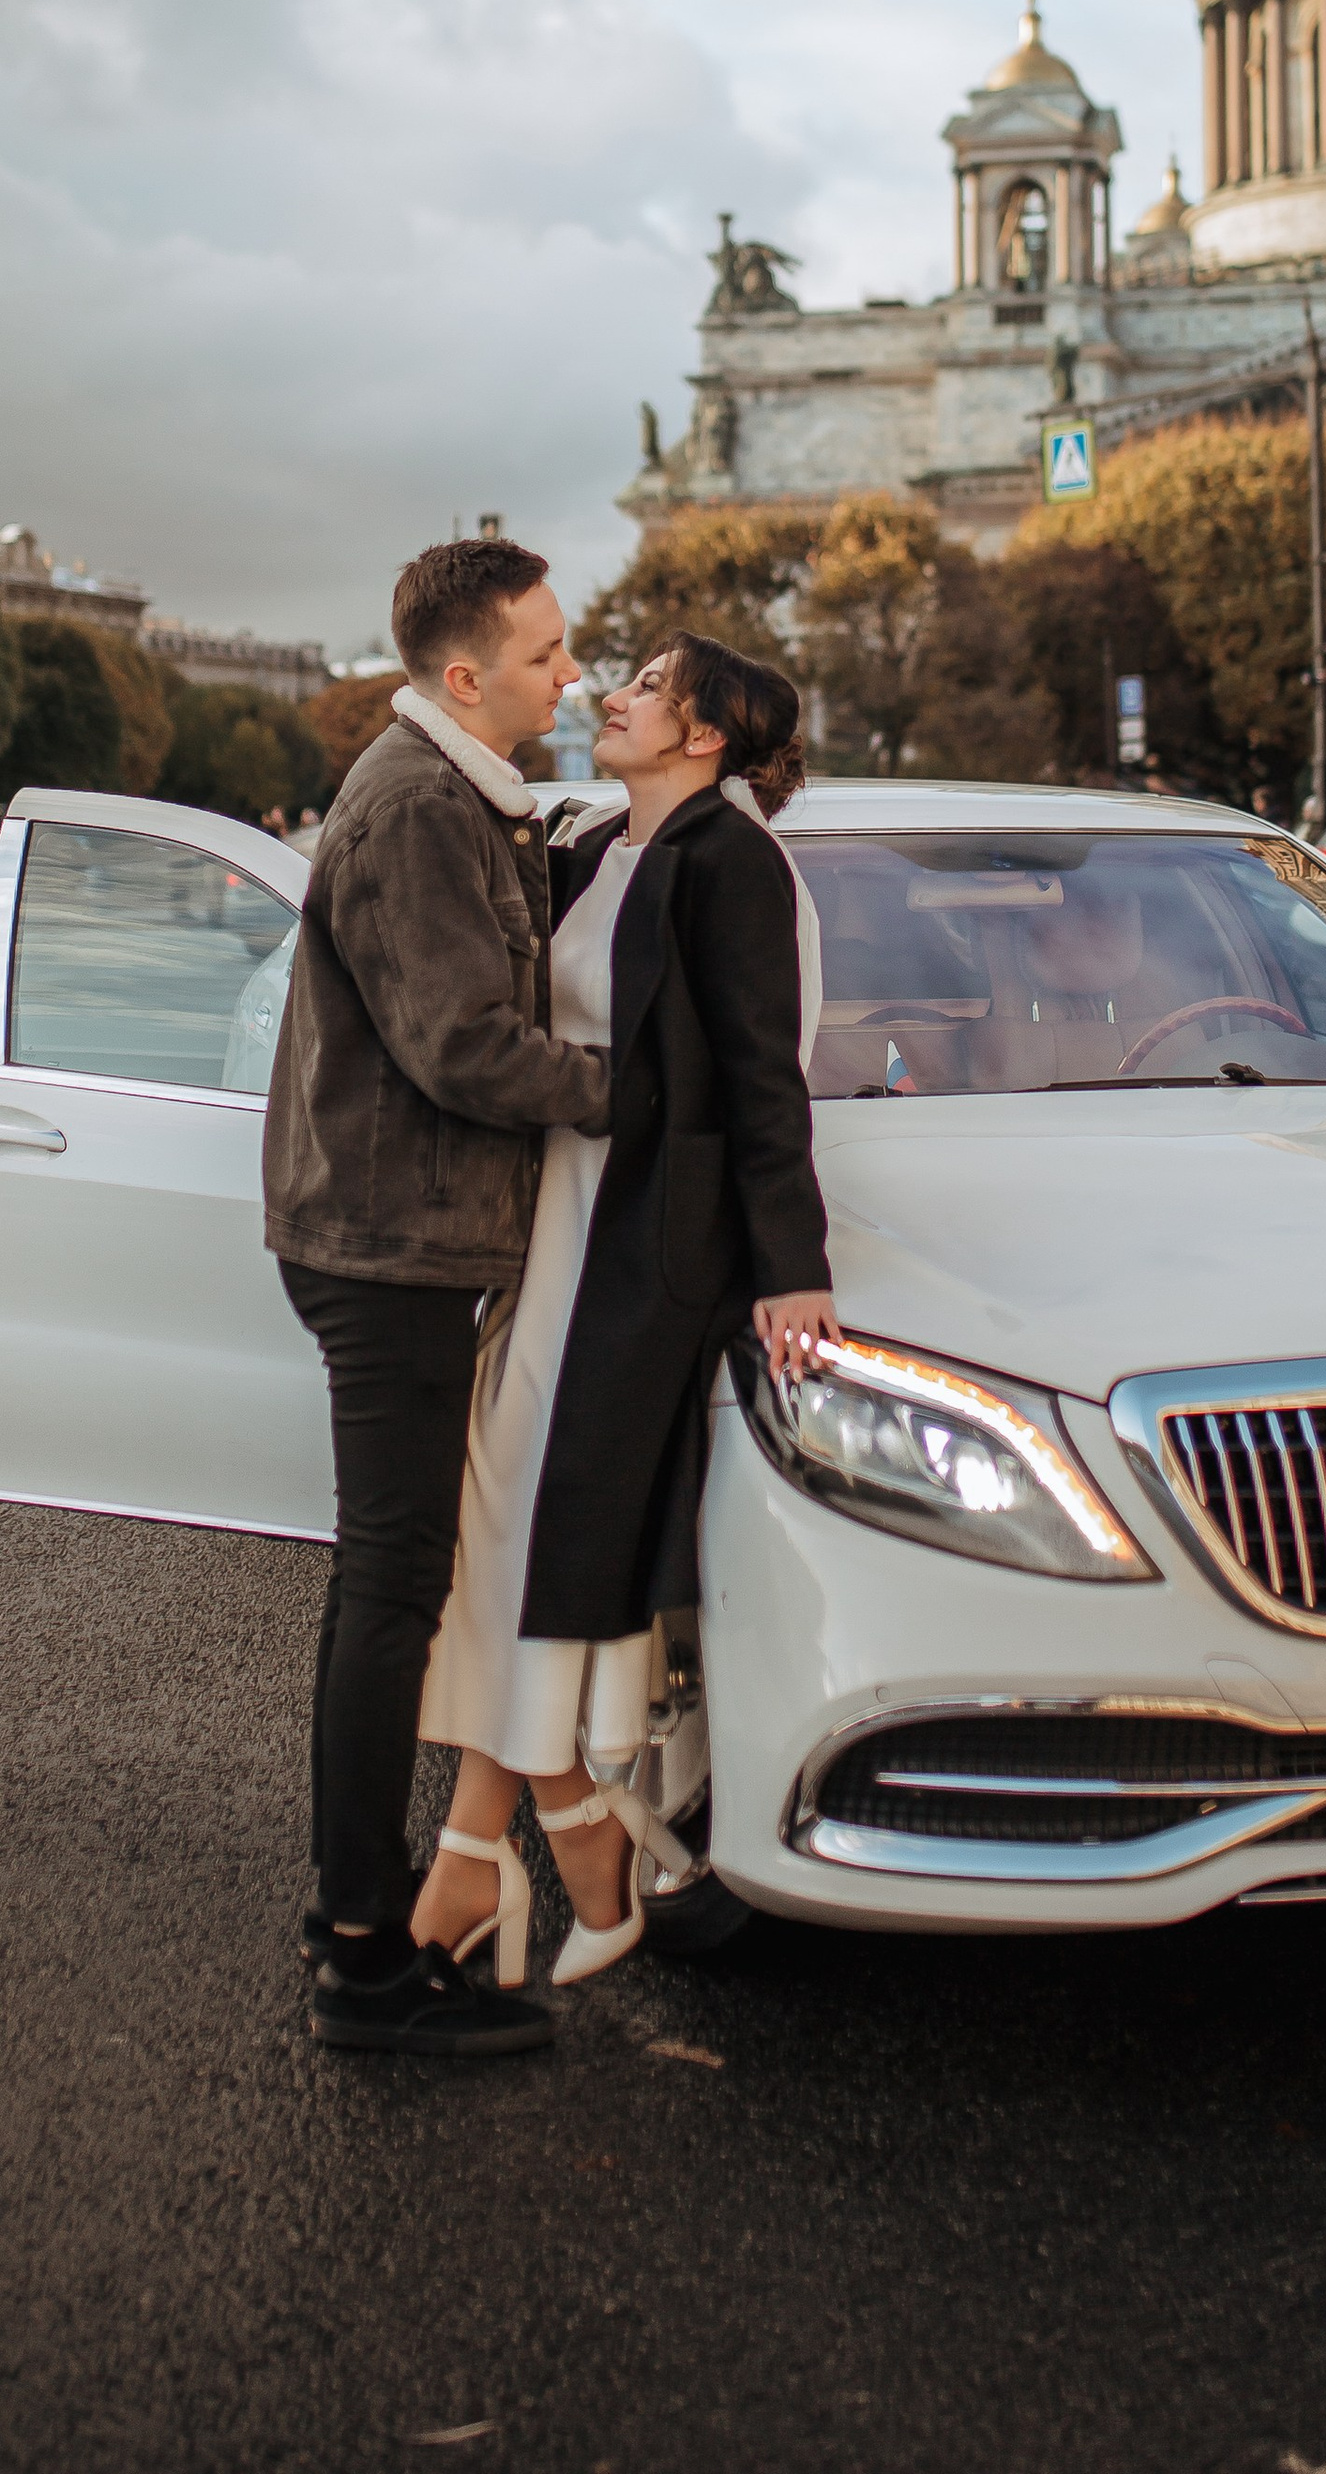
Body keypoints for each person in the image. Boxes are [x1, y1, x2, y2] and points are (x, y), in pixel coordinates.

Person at [410, 633, 839, 1985]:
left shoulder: (737, 863)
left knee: (544, 1521)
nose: (615, 694)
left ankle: (510, 1852)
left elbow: (767, 1079)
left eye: (647, 687)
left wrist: (792, 1265)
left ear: (705, 734)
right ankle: (533, 1841)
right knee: (506, 1513)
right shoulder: (598, 842)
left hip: (641, 1241)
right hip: (551, 1216)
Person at [263, 538, 612, 2058]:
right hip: (384, 1246)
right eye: (546, 653)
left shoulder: (458, 789)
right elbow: (464, 1041)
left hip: (392, 1233)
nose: (572, 673)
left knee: (391, 1579)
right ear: (466, 676)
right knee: (389, 1586)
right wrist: (641, 1092)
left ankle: (361, 1912)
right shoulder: (412, 806)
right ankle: (361, 1956)